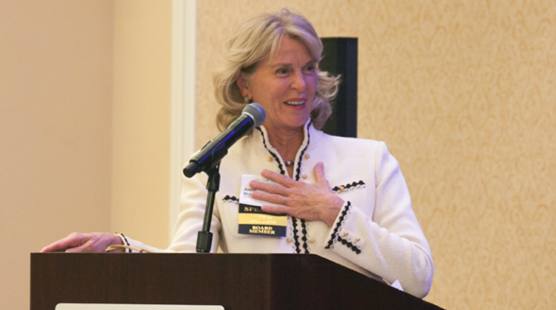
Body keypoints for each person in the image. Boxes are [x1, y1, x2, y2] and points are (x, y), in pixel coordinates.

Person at [41, 9, 434, 298]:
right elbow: (188, 270)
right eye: (283, 71)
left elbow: (418, 276)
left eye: (310, 68)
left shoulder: (371, 160)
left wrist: (333, 211)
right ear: (245, 85)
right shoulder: (218, 164)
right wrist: (119, 245)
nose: (302, 84)